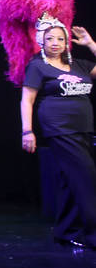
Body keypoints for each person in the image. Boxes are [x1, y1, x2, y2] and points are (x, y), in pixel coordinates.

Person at [20, 17, 96, 249]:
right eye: (50, 38)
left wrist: (91, 44)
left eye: (60, 38)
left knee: (70, 179)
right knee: (86, 178)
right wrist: (27, 131)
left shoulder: (80, 66)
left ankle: (66, 230)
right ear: (41, 40)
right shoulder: (37, 66)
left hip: (82, 128)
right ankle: (92, 233)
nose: (55, 42)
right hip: (59, 128)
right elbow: (27, 100)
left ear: (67, 43)